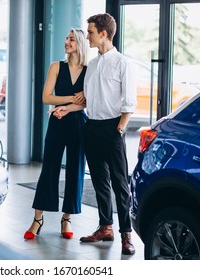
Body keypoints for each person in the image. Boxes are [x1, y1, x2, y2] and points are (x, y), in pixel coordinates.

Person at [50, 13, 137, 255]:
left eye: (90, 32)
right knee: (99, 182)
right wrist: (66, 108)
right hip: (92, 127)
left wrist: (118, 129)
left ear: (103, 34)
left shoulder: (122, 63)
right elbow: (86, 101)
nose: (86, 36)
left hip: (112, 128)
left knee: (120, 184)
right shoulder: (94, 64)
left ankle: (126, 236)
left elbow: (129, 104)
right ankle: (105, 227)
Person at [24, 28, 88, 240]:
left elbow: (88, 101)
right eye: (66, 38)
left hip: (79, 122)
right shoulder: (56, 67)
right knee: (49, 167)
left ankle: (66, 218)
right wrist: (73, 97)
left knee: (75, 171)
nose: (66, 42)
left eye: (71, 39)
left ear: (80, 43)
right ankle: (38, 218)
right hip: (57, 121)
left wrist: (73, 103)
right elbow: (46, 97)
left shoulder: (90, 70)